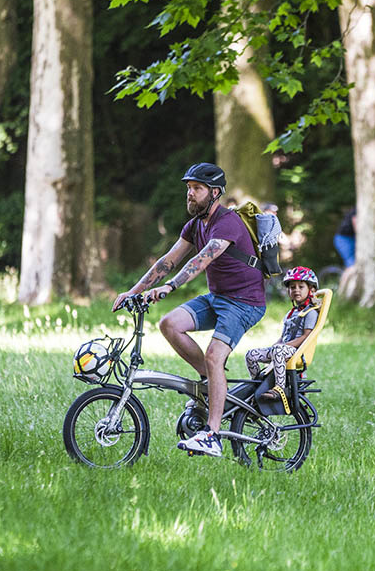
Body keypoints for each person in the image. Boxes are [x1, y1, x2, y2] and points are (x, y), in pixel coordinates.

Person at [113, 162, 266, 458]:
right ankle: (211, 381)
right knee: (169, 324)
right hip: (218, 297)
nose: (190, 194)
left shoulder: (227, 223)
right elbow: (168, 260)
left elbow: (201, 261)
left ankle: (213, 434)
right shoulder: (195, 225)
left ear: (215, 192)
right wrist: (133, 292)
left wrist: (169, 288)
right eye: (188, 189)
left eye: (197, 189)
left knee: (214, 355)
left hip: (245, 302)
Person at [244, 266, 319, 401]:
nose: (296, 290)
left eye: (301, 287)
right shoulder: (291, 314)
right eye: (292, 287)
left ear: (311, 290)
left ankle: (279, 388)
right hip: (283, 349)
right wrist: (275, 346)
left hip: (296, 351)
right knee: (251, 355)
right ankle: (259, 384)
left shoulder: (311, 313)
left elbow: (306, 337)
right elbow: (283, 337)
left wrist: (282, 347)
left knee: (278, 350)